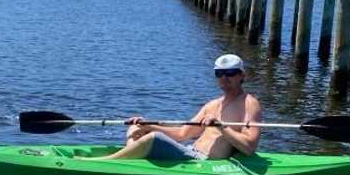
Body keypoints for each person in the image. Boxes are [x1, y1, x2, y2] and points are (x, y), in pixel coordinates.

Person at [87, 53, 262, 161]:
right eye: (219, 74)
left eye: (230, 73)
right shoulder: (212, 104)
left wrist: (221, 127)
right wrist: (147, 124)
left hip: (203, 161)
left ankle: (109, 161)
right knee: (136, 127)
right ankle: (130, 158)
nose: (224, 78)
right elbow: (182, 134)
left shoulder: (249, 103)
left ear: (242, 75)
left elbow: (249, 147)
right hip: (190, 151)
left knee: (155, 137)